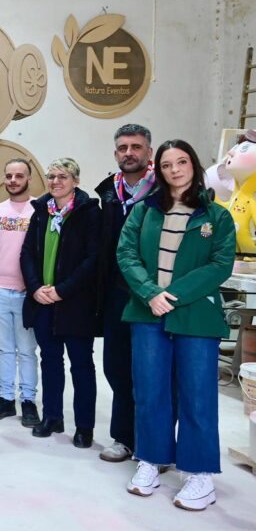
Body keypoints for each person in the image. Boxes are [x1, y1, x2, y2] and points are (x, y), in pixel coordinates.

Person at [118, 139, 233, 512]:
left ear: (194, 165)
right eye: (167, 165)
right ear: (159, 171)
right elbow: (126, 253)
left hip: (195, 315)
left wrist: (174, 295)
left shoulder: (216, 216)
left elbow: (219, 265)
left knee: (197, 395)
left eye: (182, 162)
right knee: (150, 391)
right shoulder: (144, 211)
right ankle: (151, 459)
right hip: (147, 311)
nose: (175, 170)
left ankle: (199, 473)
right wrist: (151, 292)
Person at [20, 158, 100, 447]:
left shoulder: (89, 213)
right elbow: (27, 253)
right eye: (51, 176)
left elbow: (93, 260)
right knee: (50, 361)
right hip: (43, 302)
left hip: (75, 303)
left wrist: (62, 290)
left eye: (62, 176)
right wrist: (35, 288)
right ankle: (52, 417)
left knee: (81, 365)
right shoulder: (41, 211)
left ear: (75, 181)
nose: (55, 181)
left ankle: (84, 427)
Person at [95, 123, 155, 463]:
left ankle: (153, 442)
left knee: (150, 370)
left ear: (149, 150)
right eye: (122, 147)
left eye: (135, 147)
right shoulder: (107, 192)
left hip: (152, 294)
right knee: (116, 367)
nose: (128, 153)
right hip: (117, 293)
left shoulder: (162, 191)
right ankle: (124, 437)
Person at [0, 159, 39, 426]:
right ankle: (5, 398)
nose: (13, 180)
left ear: (29, 178)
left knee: (26, 350)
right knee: (4, 349)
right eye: (9, 175)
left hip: (29, 293)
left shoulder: (39, 210)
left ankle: (28, 400)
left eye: (19, 175)